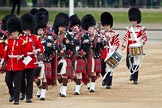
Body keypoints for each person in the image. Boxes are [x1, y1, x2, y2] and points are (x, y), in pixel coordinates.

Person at [0, 17, 27, 105]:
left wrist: (21, 56)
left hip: (18, 65)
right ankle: (12, 94)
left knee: (17, 82)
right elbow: (5, 53)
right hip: (10, 65)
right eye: (13, 33)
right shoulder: (8, 41)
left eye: (16, 32)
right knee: (7, 80)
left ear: (18, 32)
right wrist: (2, 61)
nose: (14, 34)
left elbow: (25, 53)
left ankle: (16, 99)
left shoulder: (22, 42)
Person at [20, 13, 43, 103]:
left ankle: (29, 97)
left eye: (28, 30)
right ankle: (23, 92)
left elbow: (41, 48)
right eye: (25, 30)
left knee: (30, 80)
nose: (27, 31)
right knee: (21, 79)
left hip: (32, 61)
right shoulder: (20, 38)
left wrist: (36, 51)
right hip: (22, 61)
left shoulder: (35, 38)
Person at [121, 8, 147, 84]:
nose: (133, 22)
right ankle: (133, 73)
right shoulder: (129, 29)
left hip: (137, 46)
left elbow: (145, 37)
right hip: (129, 47)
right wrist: (123, 45)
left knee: (136, 62)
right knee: (128, 62)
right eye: (132, 20)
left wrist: (141, 43)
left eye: (134, 21)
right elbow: (125, 37)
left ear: (137, 20)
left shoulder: (141, 29)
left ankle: (135, 79)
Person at [100, 12, 120, 89]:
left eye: (107, 25)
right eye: (104, 25)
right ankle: (105, 78)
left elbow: (117, 43)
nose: (106, 27)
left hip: (110, 52)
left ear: (110, 25)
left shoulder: (114, 33)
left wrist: (113, 48)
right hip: (103, 52)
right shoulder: (102, 34)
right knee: (102, 68)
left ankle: (108, 83)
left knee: (110, 68)